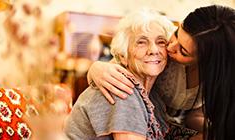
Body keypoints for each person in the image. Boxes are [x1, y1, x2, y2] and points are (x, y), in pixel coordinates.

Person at [87, 5, 235, 140]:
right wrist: (96, 68)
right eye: (177, 33)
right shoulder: (128, 89)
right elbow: (123, 58)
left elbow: (197, 115)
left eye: (182, 51)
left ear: (205, 63)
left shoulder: (222, 78)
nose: (169, 47)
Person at [64, 9, 175, 140]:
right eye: (141, 42)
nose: (153, 50)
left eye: (161, 42)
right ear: (123, 56)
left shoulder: (152, 93)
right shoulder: (121, 87)